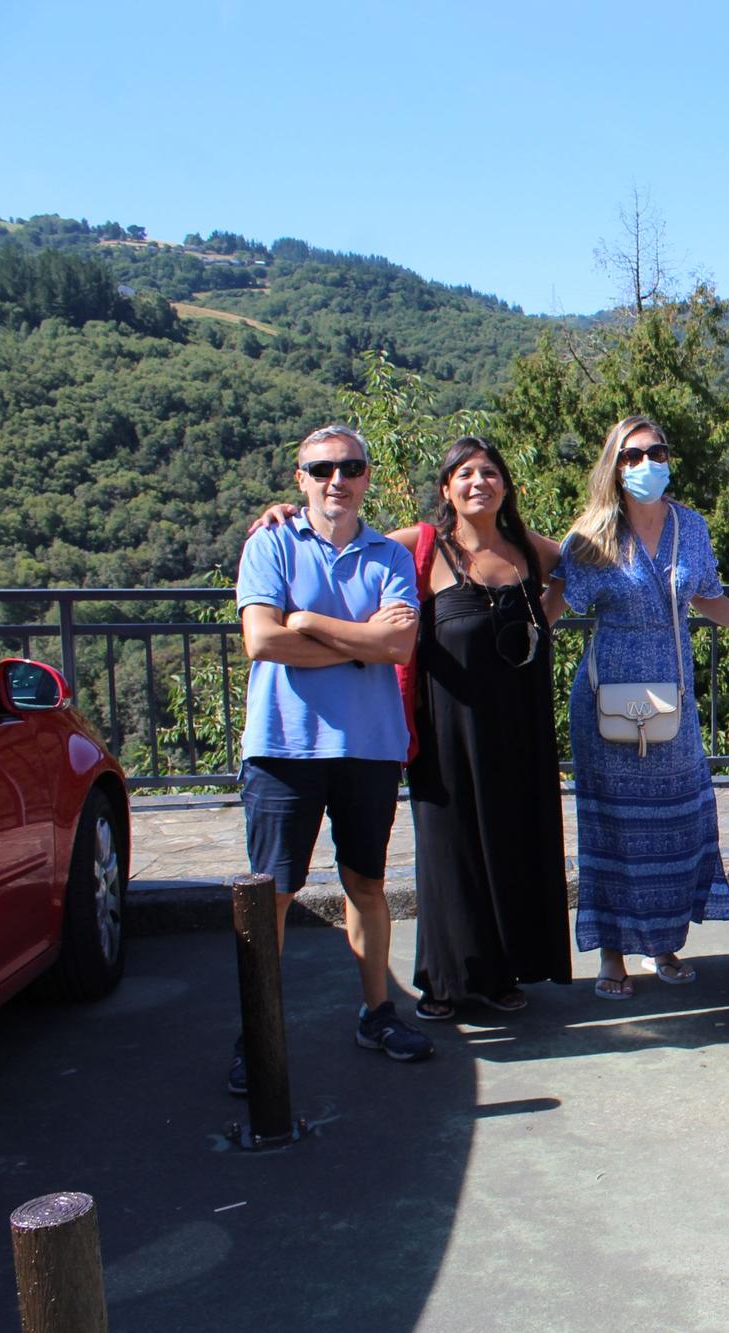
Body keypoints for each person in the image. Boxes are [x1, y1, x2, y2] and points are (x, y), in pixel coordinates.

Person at [231, 423, 430, 1094]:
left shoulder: (389, 556)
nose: (335, 479)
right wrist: (361, 640)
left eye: (349, 466)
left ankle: (378, 1012)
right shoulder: (270, 543)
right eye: (321, 469)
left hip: (368, 747)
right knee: (274, 895)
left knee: (367, 886)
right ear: (300, 478)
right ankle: (255, 1034)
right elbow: (261, 640)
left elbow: (400, 646)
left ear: (367, 475)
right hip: (283, 746)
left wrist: (309, 622)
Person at [559, 414, 729, 998]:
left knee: (677, 818)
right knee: (614, 828)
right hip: (607, 697)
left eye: (654, 452)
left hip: (673, 697)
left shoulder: (691, 526)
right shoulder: (593, 535)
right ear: (615, 465)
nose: (644, 464)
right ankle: (612, 954)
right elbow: (553, 596)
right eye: (631, 456)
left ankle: (664, 943)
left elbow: (707, 597)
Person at [395, 437, 571, 1020]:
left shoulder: (527, 549)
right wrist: (288, 518)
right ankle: (443, 980)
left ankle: (502, 973)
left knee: (510, 842)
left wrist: (542, 620)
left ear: (506, 486)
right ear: (446, 488)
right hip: (447, 729)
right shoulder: (424, 548)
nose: (479, 482)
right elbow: (351, 546)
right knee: (451, 851)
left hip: (518, 725)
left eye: (490, 472)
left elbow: (582, 562)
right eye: (465, 473)